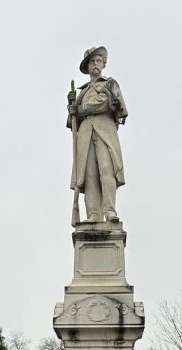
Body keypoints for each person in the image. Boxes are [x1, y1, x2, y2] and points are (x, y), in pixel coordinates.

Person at [68, 46, 127, 224]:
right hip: (85, 133)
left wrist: (81, 109)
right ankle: (93, 213)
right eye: (92, 61)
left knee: (106, 169)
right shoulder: (82, 92)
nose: (95, 64)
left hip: (105, 130)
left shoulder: (110, 84)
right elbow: (72, 122)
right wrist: (71, 108)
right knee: (90, 174)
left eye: (98, 60)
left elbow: (106, 103)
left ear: (103, 64)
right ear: (87, 67)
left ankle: (109, 211)